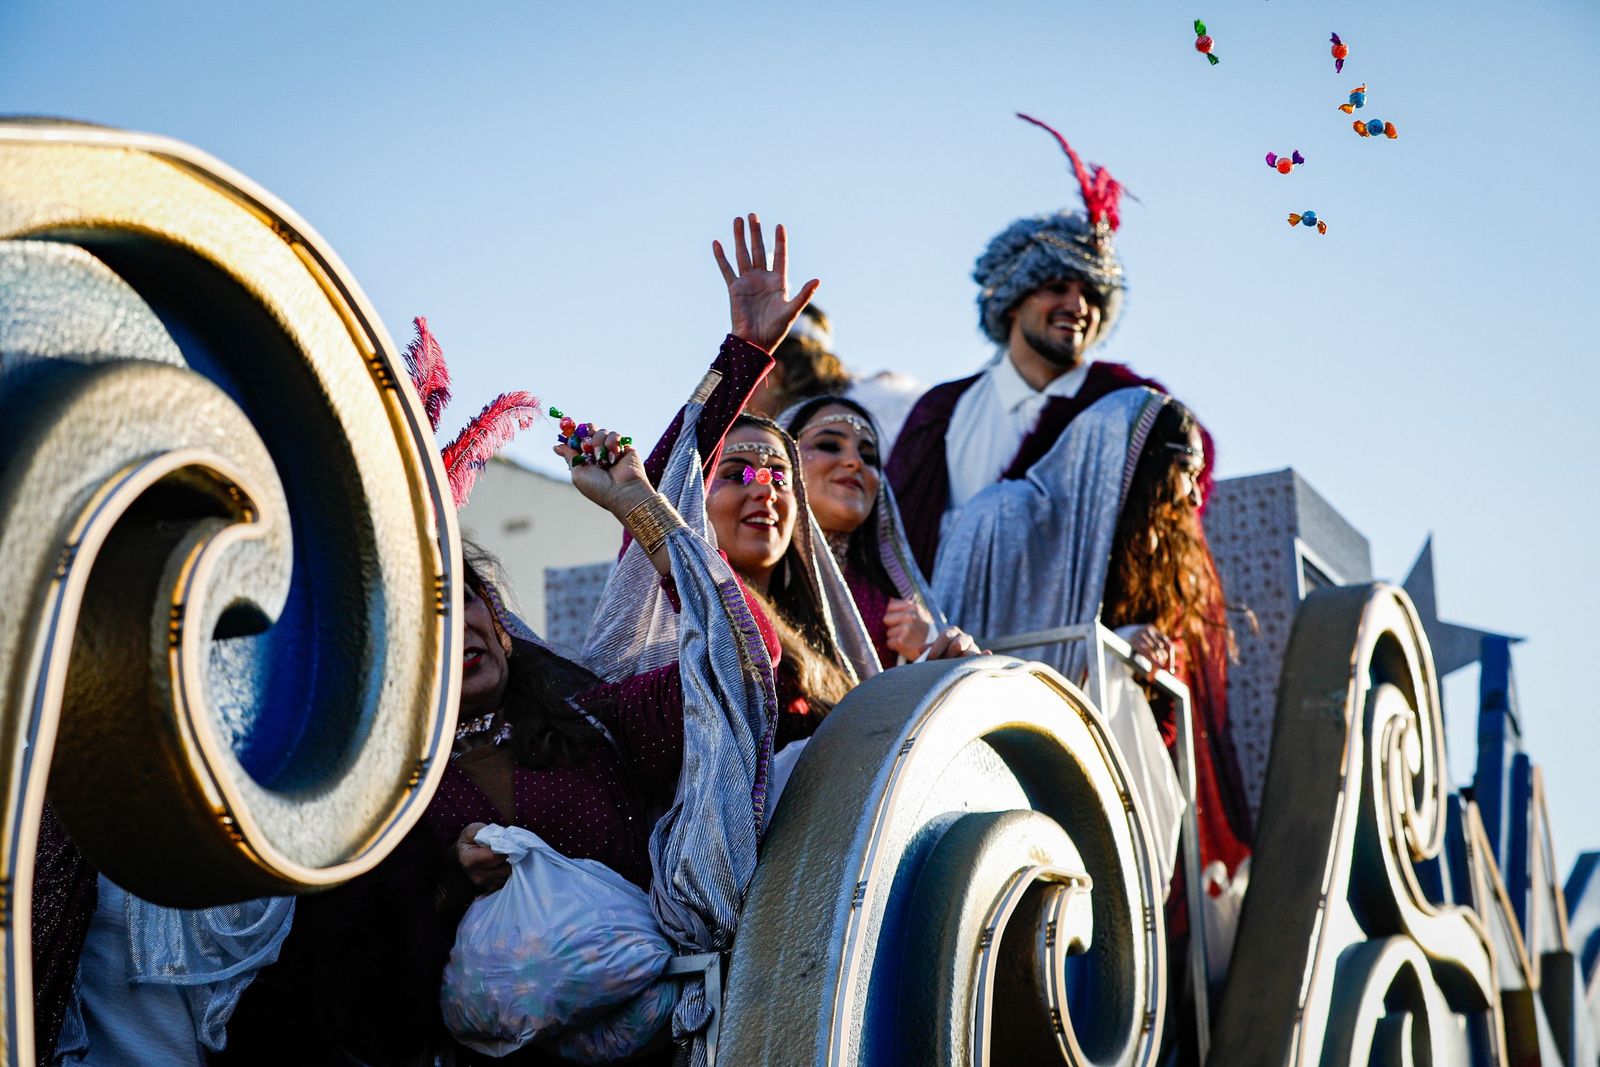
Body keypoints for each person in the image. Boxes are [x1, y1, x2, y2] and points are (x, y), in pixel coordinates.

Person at [888, 114, 1193, 580]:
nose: (1078, 305)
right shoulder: (944, 412)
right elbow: (894, 546)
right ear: (1013, 302)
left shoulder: (1131, 407)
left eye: (1092, 295)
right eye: (1057, 287)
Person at [782, 395, 945, 666]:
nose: (855, 462)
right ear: (782, 461)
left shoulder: (895, 603)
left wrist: (929, 651)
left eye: (868, 457)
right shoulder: (756, 575)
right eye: (829, 445)